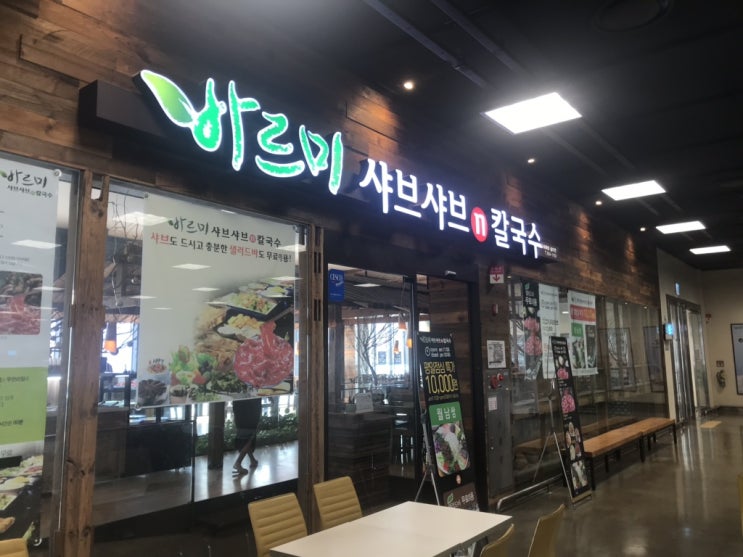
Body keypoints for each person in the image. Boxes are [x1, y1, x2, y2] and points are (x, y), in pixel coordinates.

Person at [232, 397, 262, 474]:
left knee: (246, 438)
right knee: (249, 438)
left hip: (240, 409)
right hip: (250, 411)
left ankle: (252, 460)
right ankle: (238, 462)